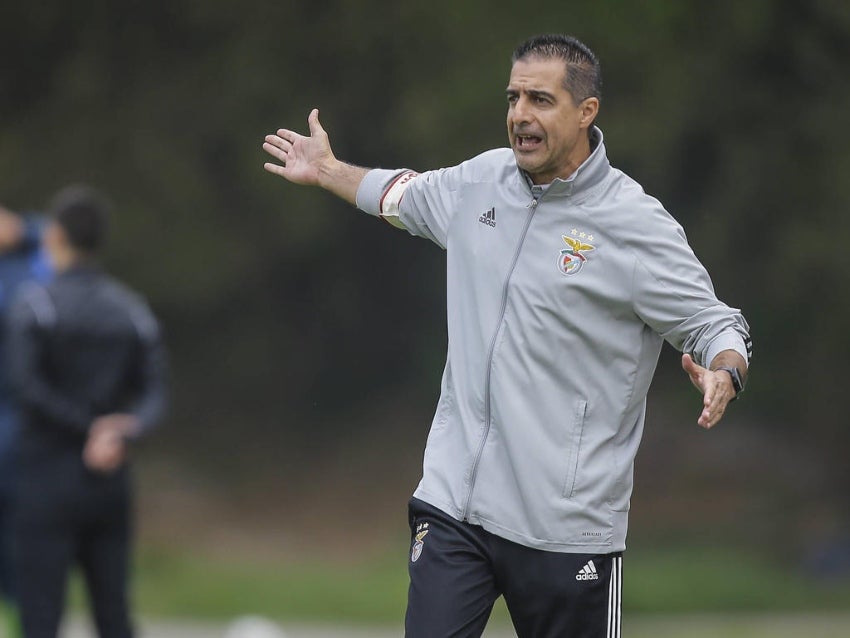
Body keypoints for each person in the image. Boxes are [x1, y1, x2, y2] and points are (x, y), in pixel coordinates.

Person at [263, 34, 751, 638]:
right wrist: (329, 170)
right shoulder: (480, 182)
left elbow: (715, 323)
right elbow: (401, 195)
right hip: (455, 506)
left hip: (565, 529)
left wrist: (724, 370)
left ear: (586, 112)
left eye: (540, 100)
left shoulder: (634, 223)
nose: (520, 114)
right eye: (514, 97)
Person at [5, 186, 168, 638]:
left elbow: (26, 387)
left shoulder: (35, 305)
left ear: (55, 236)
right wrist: (122, 431)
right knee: (113, 614)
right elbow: (155, 391)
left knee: (40, 616)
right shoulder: (131, 309)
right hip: (108, 479)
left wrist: (87, 427)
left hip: (45, 479)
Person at [0, 206, 51, 636]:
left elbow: (66, 236)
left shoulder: (32, 265)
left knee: (22, 530)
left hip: (20, 419)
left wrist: (23, 231)